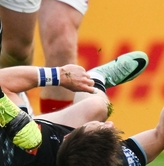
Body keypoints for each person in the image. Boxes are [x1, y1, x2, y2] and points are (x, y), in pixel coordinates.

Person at [0, 51, 149, 159]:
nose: (111, 124)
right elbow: (161, 136)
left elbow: (3, 82)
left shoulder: (27, 138)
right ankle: (94, 80)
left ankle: (91, 83)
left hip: (18, 141)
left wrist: (59, 75)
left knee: (95, 108)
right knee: (97, 107)